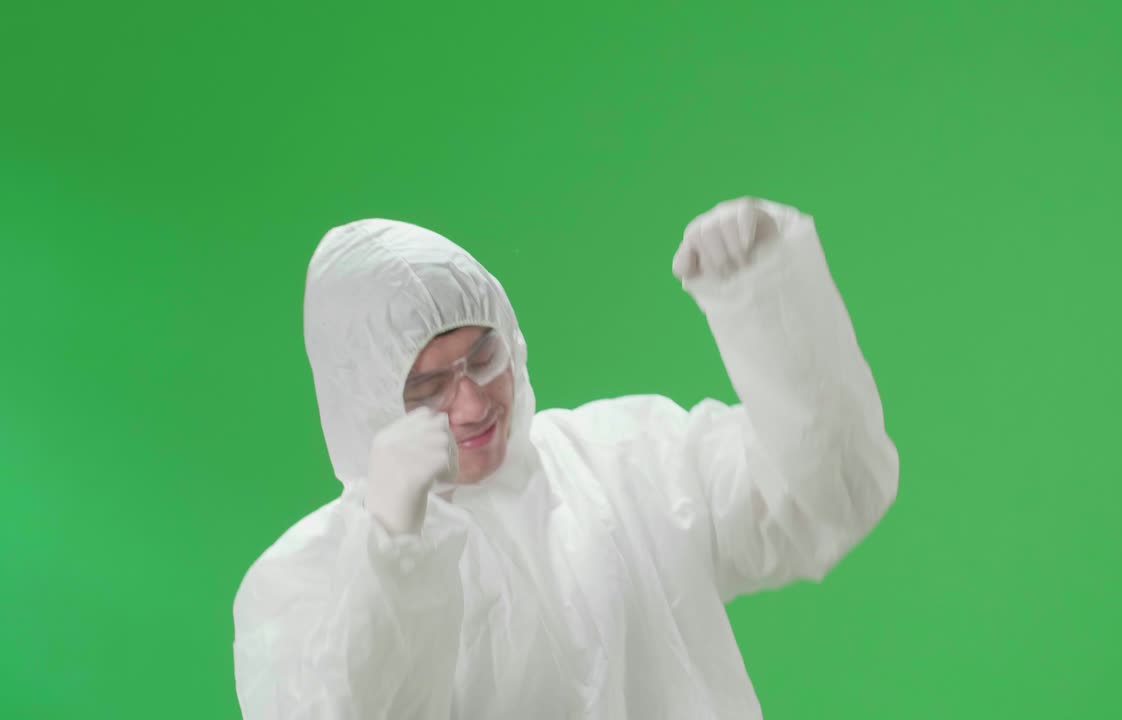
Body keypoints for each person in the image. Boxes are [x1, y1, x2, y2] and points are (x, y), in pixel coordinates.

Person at [232, 197, 900, 718]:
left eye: (482, 357)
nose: (470, 405)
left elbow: (833, 496)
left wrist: (767, 298)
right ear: (365, 403)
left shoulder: (624, 460)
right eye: (426, 387)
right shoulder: (306, 579)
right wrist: (392, 553)